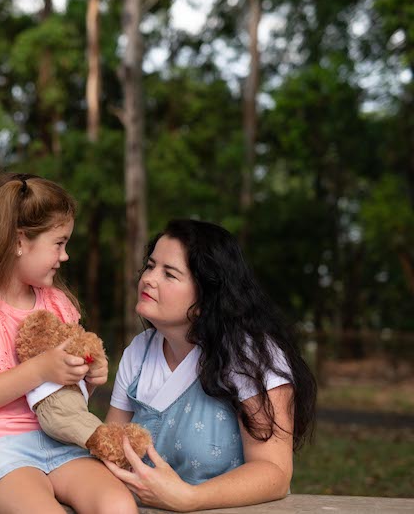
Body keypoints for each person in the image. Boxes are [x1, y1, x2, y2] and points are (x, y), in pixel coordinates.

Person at [0, 173, 137, 514]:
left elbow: (66, 393)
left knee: (118, 504)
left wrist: (88, 371)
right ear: (19, 242)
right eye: (59, 243)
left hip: (61, 441)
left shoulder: (58, 304)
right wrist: (40, 369)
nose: (65, 256)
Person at [103, 219, 317, 512]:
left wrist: (188, 499)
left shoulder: (251, 356)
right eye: (151, 266)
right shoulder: (138, 351)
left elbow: (274, 472)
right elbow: (110, 448)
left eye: (170, 273)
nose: (149, 278)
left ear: (206, 297)